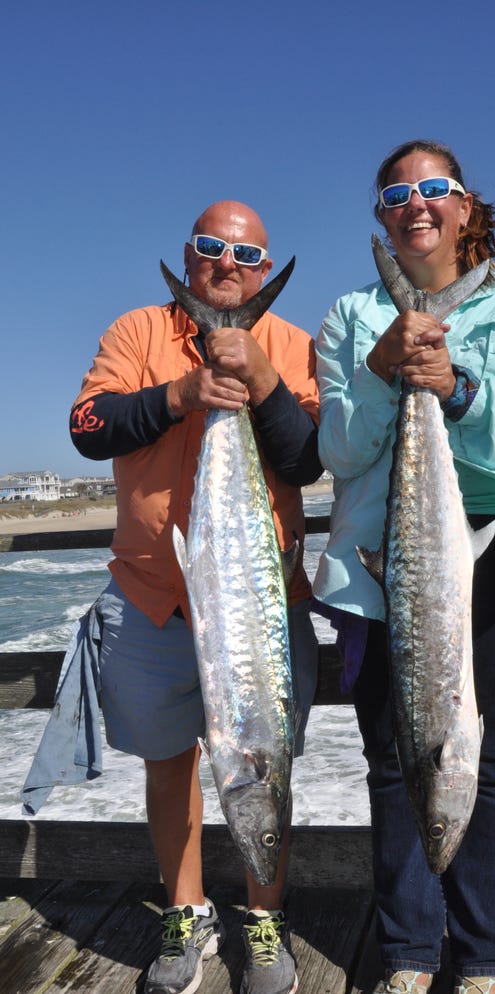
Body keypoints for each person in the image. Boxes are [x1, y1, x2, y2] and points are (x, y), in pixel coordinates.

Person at [313, 140, 495, 994]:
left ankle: (481, 958)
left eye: (435, 189)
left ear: (464, 207)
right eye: (397, 194)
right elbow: (338, 448)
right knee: (395, 761)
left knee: (494, 763)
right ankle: (406, 953)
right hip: (390, 562)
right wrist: (382, 367)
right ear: (382, 217)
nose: (417, 204)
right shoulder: (352, 316)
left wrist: (462, 393)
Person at [70, 200, 322, 994]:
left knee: (266, 763)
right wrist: (183, 396)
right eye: (212, 248)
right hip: (151, 600)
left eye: (247, 255)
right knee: (167, 765)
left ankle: (265, 920)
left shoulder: (289, 342)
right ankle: (186, 915)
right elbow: (88, 425)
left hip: (259, 607)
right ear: (189, 255)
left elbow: (308, 458)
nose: (228, 265)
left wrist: (259, 379)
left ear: (262, 267)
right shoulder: (138, 332)